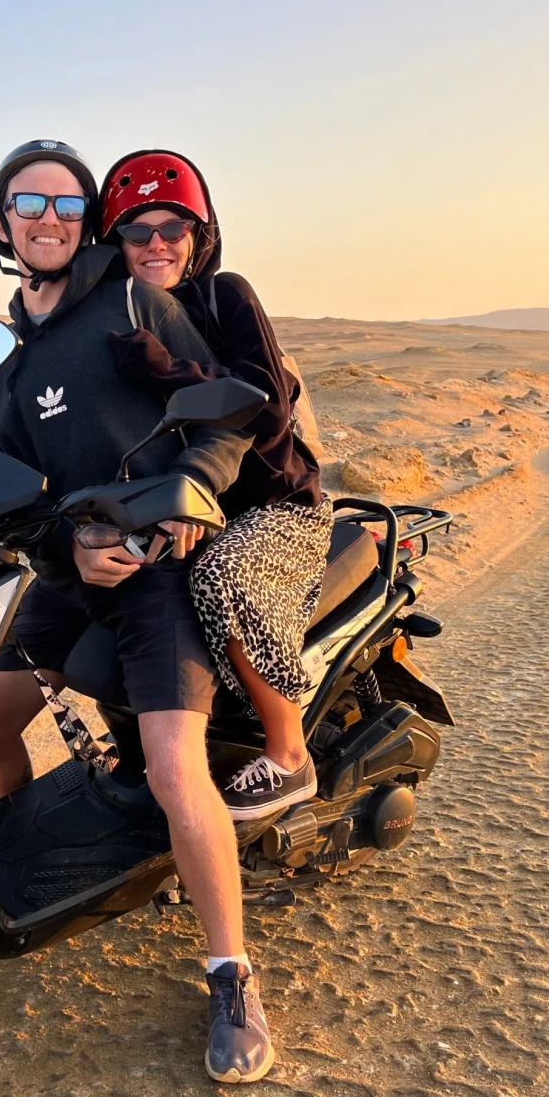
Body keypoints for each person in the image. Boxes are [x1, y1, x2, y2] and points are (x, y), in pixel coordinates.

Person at [0, 139, 275, 1083]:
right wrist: (56, 548)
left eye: (66, 203)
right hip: (67, 572)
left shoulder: (132, 301)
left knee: (180, 773)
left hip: (161, 569)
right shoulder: (2, 352)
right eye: (29, 201)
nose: (49, 218)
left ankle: (234, 978)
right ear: (2, 222)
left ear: (84, 219)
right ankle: (19, 860)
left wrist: (184, 500)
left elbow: (220, 417)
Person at [100, 150, 332, 822]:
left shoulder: (226, 294)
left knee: (219, 577)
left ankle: (290, 757)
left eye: (173, 228)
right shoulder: (123, 313)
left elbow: (266, 409)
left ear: (200, 236)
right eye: (137, 232)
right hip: (193, 504)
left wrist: (167, 369)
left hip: (277, 504)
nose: (156, 244)